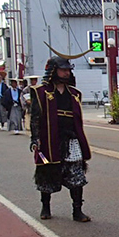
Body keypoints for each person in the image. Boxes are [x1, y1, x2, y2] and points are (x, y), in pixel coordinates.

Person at [29, 55, 92, 222]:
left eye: (68, 70)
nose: (66, 73)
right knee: (47, 174)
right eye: (63, 70)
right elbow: (35, 117)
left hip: (71, 140)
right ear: (53, 71)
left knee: (76, 176)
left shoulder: (74, 94)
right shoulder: (41, 92)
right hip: (49, 140)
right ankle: (45, 206)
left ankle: (77, 210)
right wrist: (35, 138)